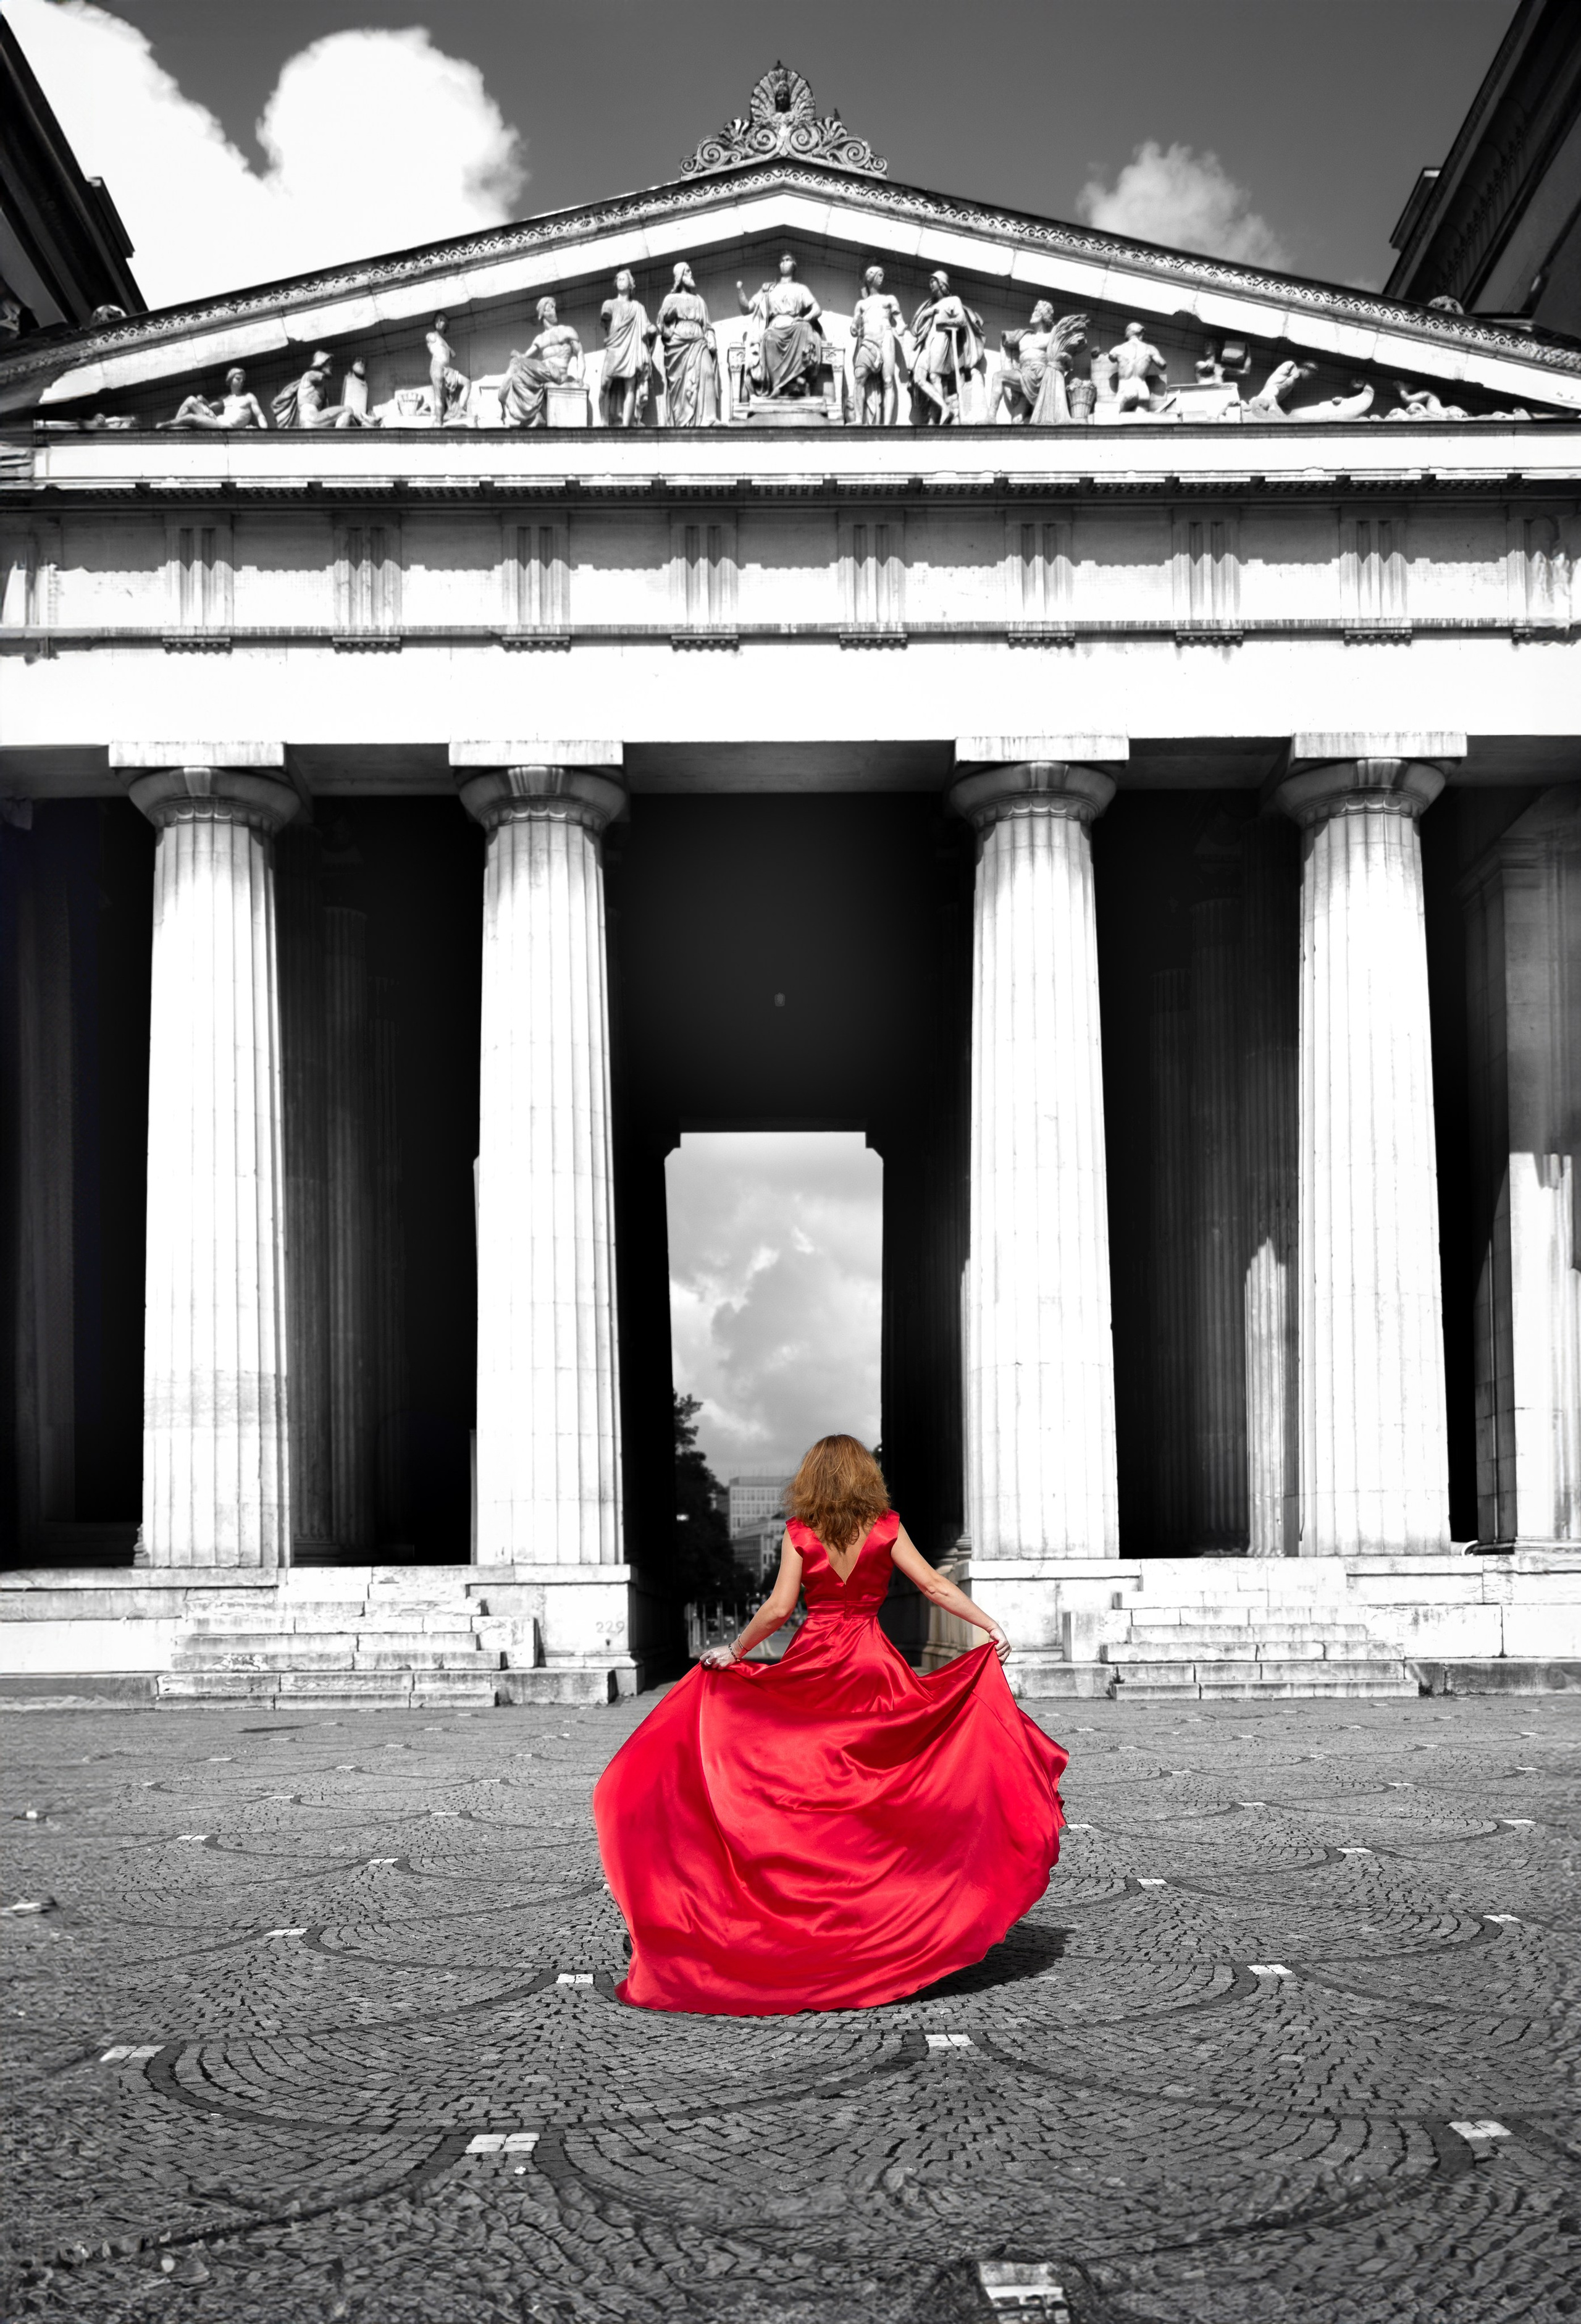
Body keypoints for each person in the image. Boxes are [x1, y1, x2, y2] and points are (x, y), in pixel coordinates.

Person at [594, 1434, 1067, 2016]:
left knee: (809, 1782)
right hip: (872, 1662)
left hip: (817, 1658)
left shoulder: (801, 1533)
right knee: (879, 1790)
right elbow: (934, 1584)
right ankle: (894, 1910)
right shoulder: (886, 1528)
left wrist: (737, 1652)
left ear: (812, 1478)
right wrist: (990, 1624)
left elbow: (777, 1608)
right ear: (866, 1477)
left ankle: (804, 1904)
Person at [736, 253, 824, 400]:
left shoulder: (800, 288)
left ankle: (798, 382)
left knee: (805, 328)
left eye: (788, 260)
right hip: (775, 328)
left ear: (794, 265)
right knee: (769, 338)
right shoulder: (769, 288)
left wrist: (804, 318)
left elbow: (817, 309)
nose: (784, 263)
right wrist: (740, 290)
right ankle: (777, 385)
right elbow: (747, 308)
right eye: (782, 261)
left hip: (794, 325)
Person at [500, 298, 585, 429]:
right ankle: (534, 414)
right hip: (544, 374)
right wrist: (518, 356)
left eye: (554, 307)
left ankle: (502, 395)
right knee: (517, 379)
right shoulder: (540, 339)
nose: (554, 311)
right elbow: (526, 357)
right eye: (549, 308)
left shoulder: (567, 331)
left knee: (517, 363)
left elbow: (580, 354)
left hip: (557, 372)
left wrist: (580, 378)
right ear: (542, 313)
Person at [851, 266, 907, 426]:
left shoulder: (889, 300)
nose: (883, 278)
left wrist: (901, 327)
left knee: (888, 381)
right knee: (859, 377)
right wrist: (854, 329)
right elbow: (855, 325)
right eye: (880, 275)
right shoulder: (862, 304)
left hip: (886, 340)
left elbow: (900, 321)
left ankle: (887, 424)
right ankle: (858, 419)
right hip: (868, 343)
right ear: (871, 278)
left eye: (883, 275)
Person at [600, 269, 656, 427]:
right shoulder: (609, 304)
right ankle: (604, 420)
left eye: (624, 279)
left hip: (631, 348)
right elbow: (606, 319)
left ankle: (626, 425)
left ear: (631, 284)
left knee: (630, 386)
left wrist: (652, 330)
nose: (620, 281)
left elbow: (646, 326)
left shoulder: (638, 307)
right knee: (605, 384)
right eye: (618, 279)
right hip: (615, 348)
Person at [159, 366, 269, 431]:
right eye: (238, 379)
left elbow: (260, 417)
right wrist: (202, 400)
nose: (241, 381)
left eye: (243, 380)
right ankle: (174, 429)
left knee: (192, 418)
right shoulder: (225, 398)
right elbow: (210, 407)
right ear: (230, 381)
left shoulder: (248, 397)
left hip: (225, 427)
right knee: (191, 400)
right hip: (215, 421)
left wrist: (265, 433)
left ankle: (166, 426)